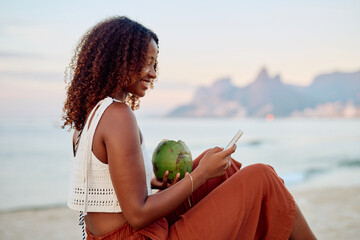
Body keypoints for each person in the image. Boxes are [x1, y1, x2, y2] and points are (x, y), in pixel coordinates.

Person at [62, 16, 316, 240]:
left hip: (119, 234)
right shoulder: (118, 115)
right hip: (137, 236)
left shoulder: (90, 116)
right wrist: (200, 175)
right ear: (119, 61)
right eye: (146, 62)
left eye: (155, 64)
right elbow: (138, 215)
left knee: (223, 169)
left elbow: (115, 198)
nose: (152, 73)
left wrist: (168, 182)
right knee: (263, 177)